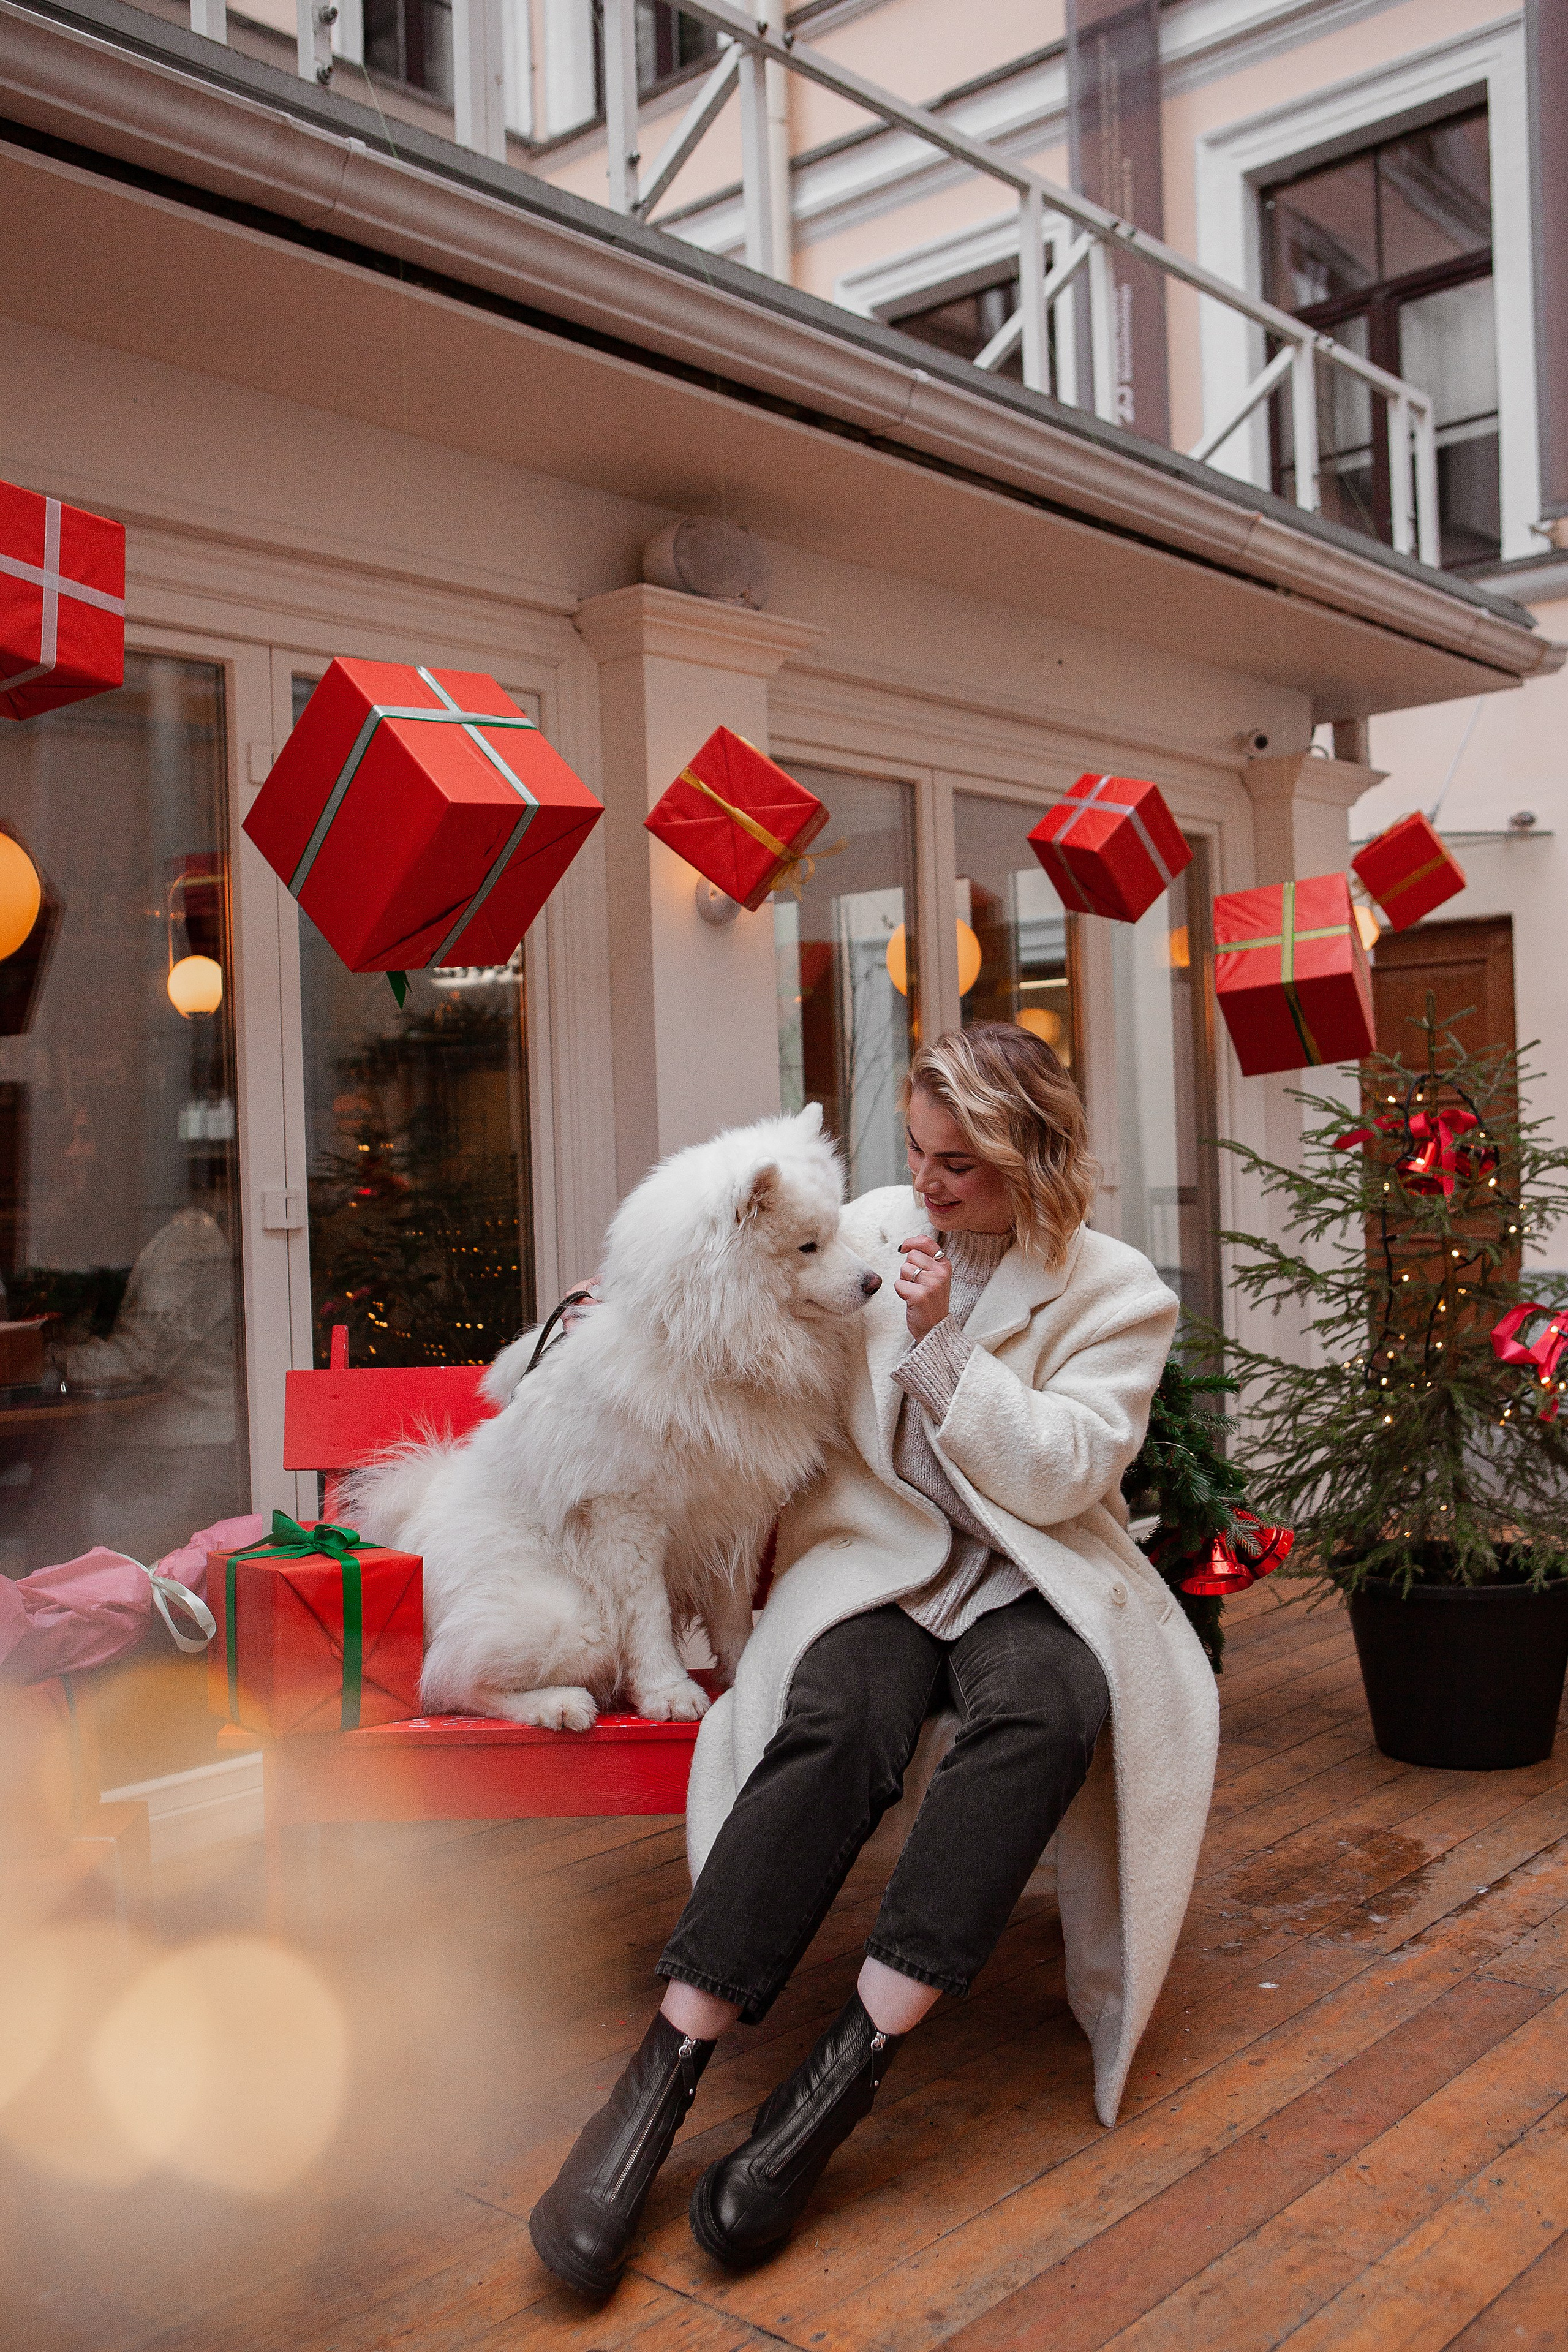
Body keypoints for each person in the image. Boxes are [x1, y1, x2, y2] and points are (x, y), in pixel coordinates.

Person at [529, 1025, 1219, 2298]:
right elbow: (722, 1298)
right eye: (915, 1149)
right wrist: (607, 1315)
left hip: (1034, 1578)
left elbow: (1065, 1474)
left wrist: (946, 1343)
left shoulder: (1116, 1290)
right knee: (835, 1723)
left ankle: (838, 2078)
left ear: (1033, 1156)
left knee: (1048, 1717)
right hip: (879, 1563)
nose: (926, 1182)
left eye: (959, 1160)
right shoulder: (867, 1228)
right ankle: (660, 2077)